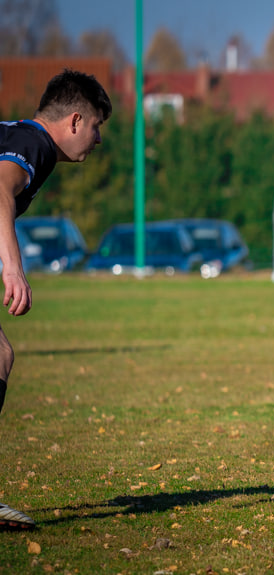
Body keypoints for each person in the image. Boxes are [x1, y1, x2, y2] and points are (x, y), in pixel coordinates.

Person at [0, 69, 111, 529]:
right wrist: (12, 268)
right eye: (96, 128)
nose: (98, 139)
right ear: (75, 119)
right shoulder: (34, 145)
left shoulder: (15, 135)